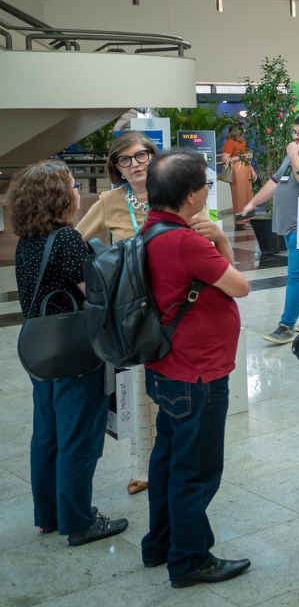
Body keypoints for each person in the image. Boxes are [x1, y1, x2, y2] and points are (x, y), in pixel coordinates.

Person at [140, 149, 251, 587]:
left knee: (168, 459)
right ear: (189, 196)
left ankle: (161, 544)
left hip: (168, 367)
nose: (210, 190)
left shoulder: (151, 229)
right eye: (205, 185)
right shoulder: (185, 241)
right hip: (198, 373)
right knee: (197, 470)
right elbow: (239, 285)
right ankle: (190, 560)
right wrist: (221, 241)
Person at [13, 161, 128, 546]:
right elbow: (91, 293)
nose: (79, 190)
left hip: (41, 351)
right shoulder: (64, 239)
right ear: (60, 196)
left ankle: (49, 515)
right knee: (78, 437)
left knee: (47, 435)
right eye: (74, 185)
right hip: (75, 353)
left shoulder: (27, 239)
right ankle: (79, 522)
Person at [76, 131, 162, 495]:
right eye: (125, 160)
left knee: (174, 386)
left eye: (141, 156)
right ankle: (143, 466)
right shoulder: (111, 200)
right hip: (132, 310)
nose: (135, 165)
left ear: (152, 157)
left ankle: (172, 458)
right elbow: (75, 240)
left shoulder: (171, 189)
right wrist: (98, 289)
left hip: (174, 303)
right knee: (139, 389)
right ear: (116, 167)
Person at [241, 114, 299, 345]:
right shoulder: (296, 154)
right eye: (295, 132)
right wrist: (253, 203)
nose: (296, 136)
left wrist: (293, 154)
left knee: (298, 275)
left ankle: (286, 326)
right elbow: (274, 181)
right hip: (292, 227)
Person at [219, 124, 255, 225]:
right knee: (239, 196)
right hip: (237, 169)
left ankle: (248, 220)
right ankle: (240, 221)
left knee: (248, 195)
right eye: (242, 128)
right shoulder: (230, 143)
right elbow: (225, 159)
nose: (244, 130)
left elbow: (246, 157)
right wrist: (241, 157)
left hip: (246, 168)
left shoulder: (242, 141)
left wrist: (252, 170)